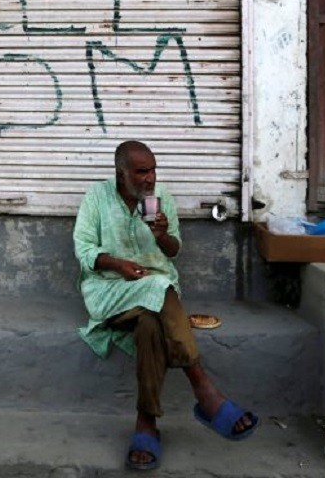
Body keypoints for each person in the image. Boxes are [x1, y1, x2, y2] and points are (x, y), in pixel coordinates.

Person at [73, 140, 259, 471]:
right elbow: (84, 251)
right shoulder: (96, 197)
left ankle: (146, 423)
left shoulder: (162, 198)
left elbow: (174, 250)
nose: (149, 178)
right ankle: (202, 387)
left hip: (156, 295)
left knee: (149, 325)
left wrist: (161, 235)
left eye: (153, 169)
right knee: (160, 286)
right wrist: (119, 265)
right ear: (122, 173)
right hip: (110, 288)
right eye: (142, 172)